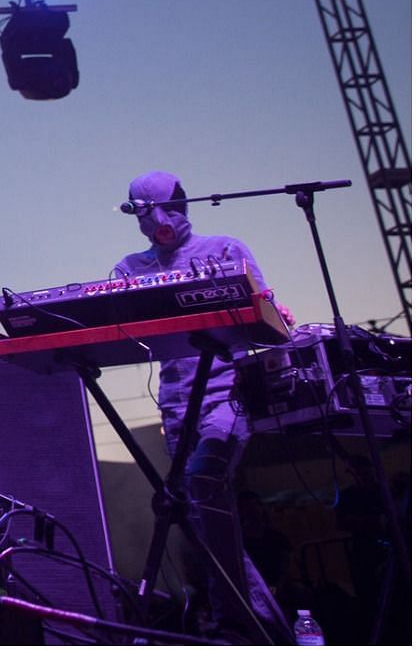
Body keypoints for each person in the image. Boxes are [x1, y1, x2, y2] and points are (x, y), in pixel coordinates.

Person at [113, 170, 291, 643]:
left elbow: (269, 315)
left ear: (180, 205)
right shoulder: (131, 267)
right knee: (200, 511)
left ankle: (239, 621)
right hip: (175, 403)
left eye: (161, 210)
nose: (155, 223)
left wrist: (273, 313)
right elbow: (118, 322)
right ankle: (260, 626)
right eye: (143, 214)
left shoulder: (224, 250)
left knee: (203, 480)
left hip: (226, 393)